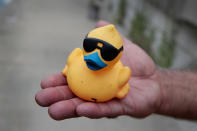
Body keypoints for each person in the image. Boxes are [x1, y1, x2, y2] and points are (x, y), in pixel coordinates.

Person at [35, 20, 197, 120]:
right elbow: (76, 56)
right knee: (75, 56)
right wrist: (69, 68)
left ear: (118, 55)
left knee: (123, 76)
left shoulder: (117, 73)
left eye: (107, 53)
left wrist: (120, 87)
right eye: (90, 46)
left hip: (112, 87)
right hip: (79, 76)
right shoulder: (78, 60)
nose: (94, 56)